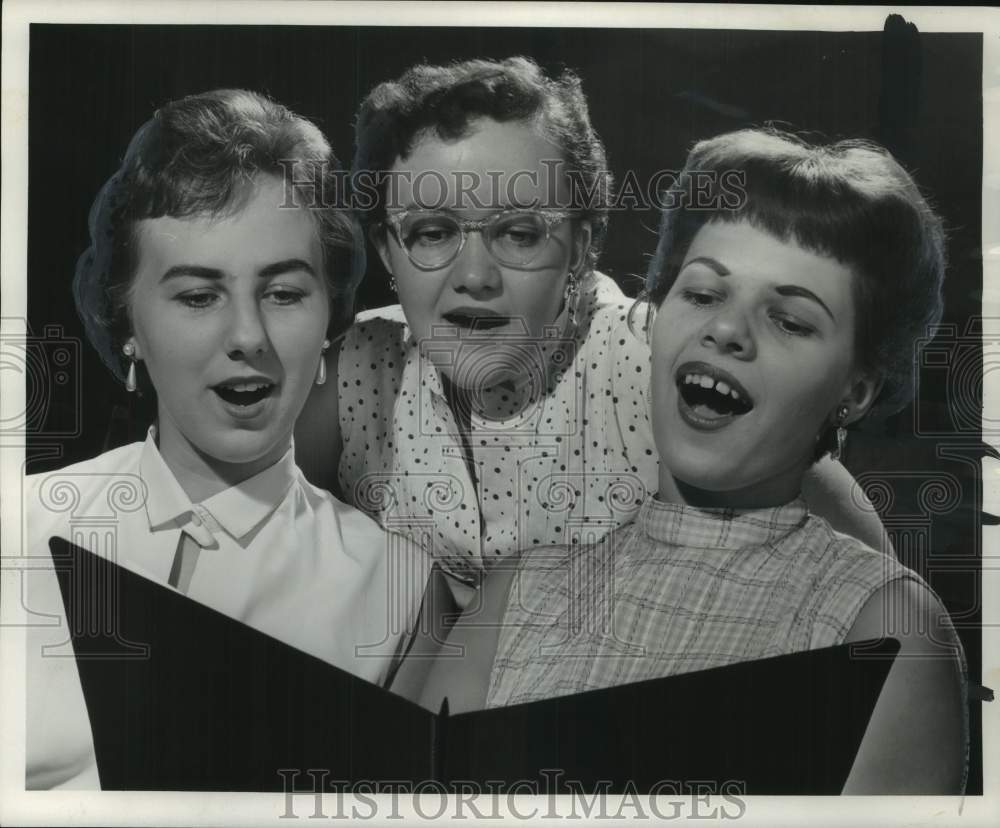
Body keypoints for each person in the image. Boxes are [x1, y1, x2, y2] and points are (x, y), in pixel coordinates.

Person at [409, 129, 968, 794]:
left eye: (790, 320)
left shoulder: (882, 626)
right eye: (702, 294)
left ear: (855, 391)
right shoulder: (513, 598)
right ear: (653, 317)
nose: (727, 330)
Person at [295, 57, 887, 604]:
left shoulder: (660, 361)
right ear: (387, 252)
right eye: (431, 232)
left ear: (581, 245)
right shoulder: (362, 369)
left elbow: (874, 598)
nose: (474, 276)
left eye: (520, 233)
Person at [23, 89, 429, 790]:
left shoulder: (397, 591)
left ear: (331, 321)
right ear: (127, 327)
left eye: (283, 293)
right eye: (197, 296)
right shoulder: (15, 524)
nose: (247, 338)